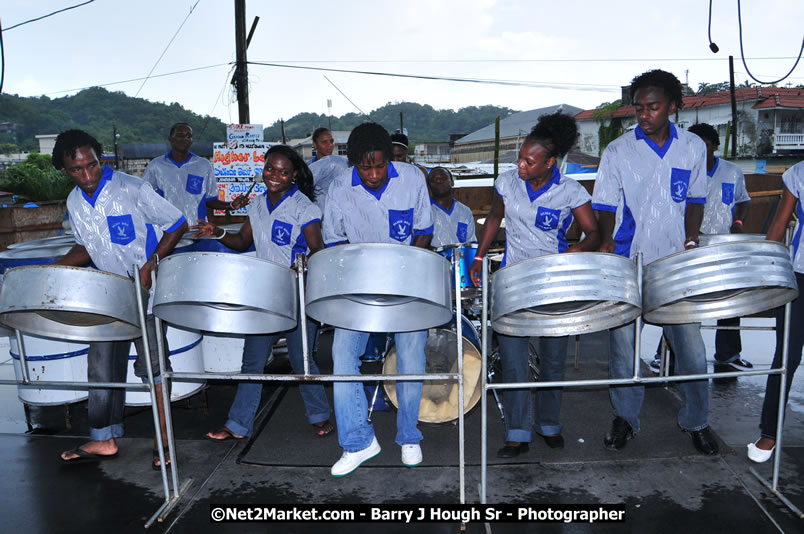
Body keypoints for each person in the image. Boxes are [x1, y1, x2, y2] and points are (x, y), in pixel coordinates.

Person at [592, 69, 719, 455]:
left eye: (653, 107)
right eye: (639, 107)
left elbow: (696, 200)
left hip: (675, 265)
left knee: (693, 350)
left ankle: (697, 420)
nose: (643, 114)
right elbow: (604, 207)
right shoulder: (617, 151)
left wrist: (691, 238)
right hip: (630, 262)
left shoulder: (693, 147)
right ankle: (626, 419)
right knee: (624, 349)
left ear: (673, 107)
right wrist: (609, 249)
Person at [52, 129, 187, 469]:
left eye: (92, 165)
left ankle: (164, 441)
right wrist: (50, 270)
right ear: (65, 170)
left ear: (101, 158)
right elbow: (86, 246)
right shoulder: (73, 202)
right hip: (107, 294)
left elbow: (177, 223)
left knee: (154, 369)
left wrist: (151, 263)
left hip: (146, 292)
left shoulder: (131, 187)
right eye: (77, 170)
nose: (87, 175)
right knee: (100, 368)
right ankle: (104, 439)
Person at [468, 112, 600, 457]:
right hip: (513, 279)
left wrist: (578, 249)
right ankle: (517, 431)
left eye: (529, 160)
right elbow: (495, 217)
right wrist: (479, 257)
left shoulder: (570, 191)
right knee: (513, 360)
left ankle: (549, 424)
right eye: (520, 157)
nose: (521, 164)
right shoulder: (507, 182)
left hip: (553, 283)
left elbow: (594, 232)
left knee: (553, 359)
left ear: (549, 163)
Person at [197, 145, 334, 441]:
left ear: (294, 175)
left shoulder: (305, 208)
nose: (275, 176)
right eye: (270, 169)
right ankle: (238, 424)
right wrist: (217, 232)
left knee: (302, 360)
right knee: (253, 360)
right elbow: (243, 241)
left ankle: (319, 415)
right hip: (264, 293)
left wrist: (306, 268)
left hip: (297, 293)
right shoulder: (257, 204)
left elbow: (318, 250)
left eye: (283, 172)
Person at [323, 122, 433, 477]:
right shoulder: (339, 187)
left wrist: (405, 275)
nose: (372, 174)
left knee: (411, 358)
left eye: (379, 166)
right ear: (352, 163)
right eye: (365, 167)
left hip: (406, 284)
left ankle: (409, 436)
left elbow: (423, 233)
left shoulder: (413, 179)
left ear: (391, 159)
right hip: (359, 287)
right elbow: (334, 242)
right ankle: (358, 441)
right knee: (341, 356)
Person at [648, 122, 752, 375]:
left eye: (704, 144)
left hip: (722, 244)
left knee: (728, 300)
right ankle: (665, 356)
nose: (698, 148)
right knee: (681, 301)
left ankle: (729, 354)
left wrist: (738, 222)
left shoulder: (733, 171)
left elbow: (743, 201)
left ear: (715, 145)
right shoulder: (677, 169)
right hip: (688, 245)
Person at [747, 160, 804, 463]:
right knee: (787, 355)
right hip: (801, 276)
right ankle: (769, 433)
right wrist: (767, 271)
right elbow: (780, 224)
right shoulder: (798, 173)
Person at [142, 122, 235, 224]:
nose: (185, 139)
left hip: (197, 230)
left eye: (188, 136)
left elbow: (211, 200)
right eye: (180, 135)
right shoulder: (156, 165)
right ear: (170, 138)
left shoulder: (203, 165)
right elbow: (143, 195)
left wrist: (232, 205)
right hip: (168, 229)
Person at [427, 166, 477, 248]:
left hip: (459, 259)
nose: (438, 180)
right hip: (433, 259)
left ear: (452, 182)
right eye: (434, 179)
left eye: (443, 177)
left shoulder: (465, 211)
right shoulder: (424, 210)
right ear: (429, 186)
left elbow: (470, 243)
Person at [308, 127, 349, 213]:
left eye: (331, 141)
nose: (330, 145)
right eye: (324, 142)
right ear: (315, 145)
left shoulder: (341, 164)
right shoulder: (308, 167)